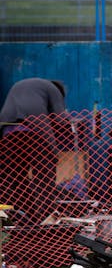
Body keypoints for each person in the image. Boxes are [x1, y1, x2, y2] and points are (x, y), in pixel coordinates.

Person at [0, 78, 67, 224]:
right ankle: (46, 218)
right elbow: (61, 119)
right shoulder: (53, 89)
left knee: (12, 178)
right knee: (44, 177)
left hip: (7, 134)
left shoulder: (21, 85)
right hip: (34, 133)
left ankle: (16, 217)